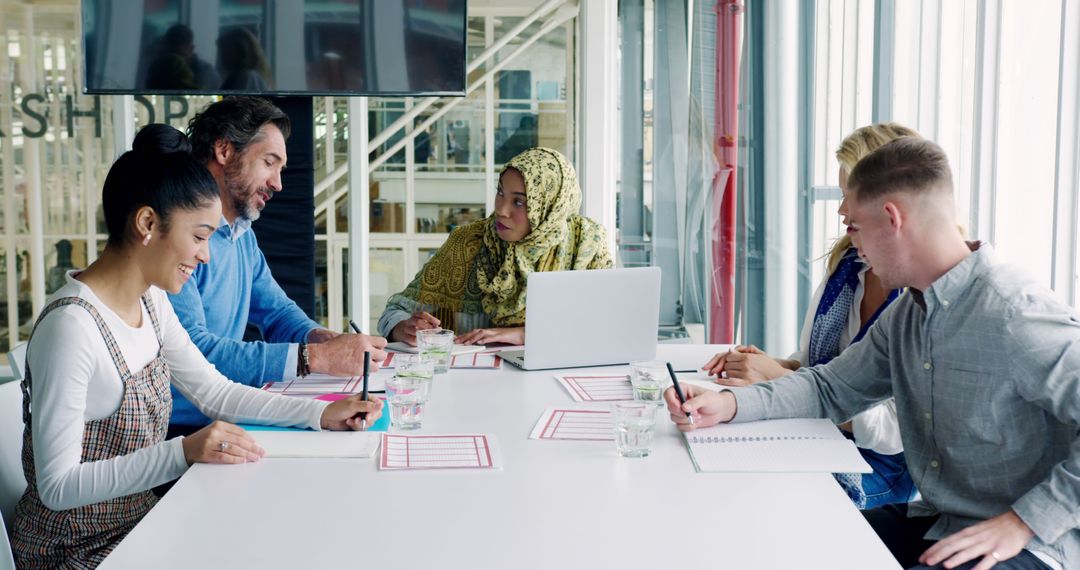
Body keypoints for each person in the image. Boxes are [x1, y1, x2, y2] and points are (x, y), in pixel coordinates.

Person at [666, 137, 1078, 570]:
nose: (853, 246)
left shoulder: (1016, 312)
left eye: (853, 226)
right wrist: (727, 404)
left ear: (891, 217)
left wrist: (1022, 522)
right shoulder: (906, 315)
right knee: (785, 549)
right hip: (943, 522)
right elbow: (830, 387)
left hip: (1032, 545)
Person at [10, 125, 381, 569]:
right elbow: (58, 486)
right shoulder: (72, 327)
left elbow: (215, 391)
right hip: (76, 552)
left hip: (138, 525)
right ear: (148, 223)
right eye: (200, 235)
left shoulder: (151, 300)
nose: (206, 255)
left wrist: (318, 413)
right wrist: (182, 451)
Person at [701, 123, 920, 510]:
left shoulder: (920, 297)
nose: (841, 210)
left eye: (850, 195)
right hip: (820, 434)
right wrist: (767, 365)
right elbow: (813, 365)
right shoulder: (850, 263)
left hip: (880, 467)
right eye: (841, 194)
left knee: (763, 502)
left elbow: (894, 433)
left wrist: (779, 379)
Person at [168, 97, 386, 436]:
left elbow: (277, 313)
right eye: (269, 163)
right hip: (181, 427)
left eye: (281, 169)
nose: (278, 184)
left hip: (227, 413)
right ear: (224, 150)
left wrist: (327, 340)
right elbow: (193, 352)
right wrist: (316, 358)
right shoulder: (178, 240)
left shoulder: (241, 236)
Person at [378, 147, 613, 346]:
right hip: (472, 385)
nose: (501, 210)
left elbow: (609, 323)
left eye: (519, 202)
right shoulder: (468, 241)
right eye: (501, 193)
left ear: (550, 208)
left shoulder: (586, 243)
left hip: (560, 384)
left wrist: (523, 334)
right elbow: (393, 311)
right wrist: (403, 328)